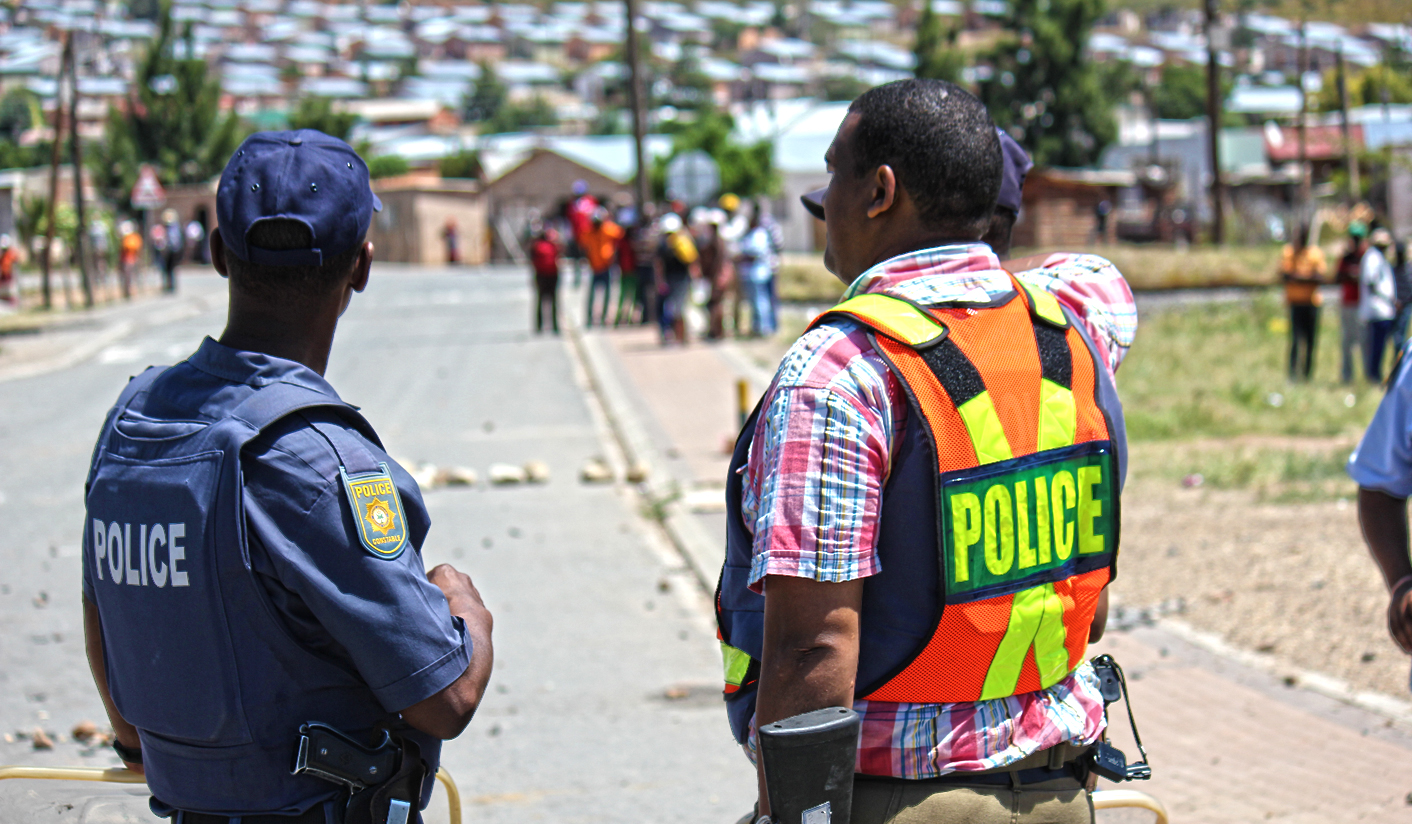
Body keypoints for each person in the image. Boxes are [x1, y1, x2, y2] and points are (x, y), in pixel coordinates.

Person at [716, 79, 1136, 824]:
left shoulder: (841, 371)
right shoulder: (1066, 337)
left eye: (834, 175)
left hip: (902, 801)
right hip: (1062, 794)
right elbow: (1104, 284)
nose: (824, 203)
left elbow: (814, 649)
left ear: (880, 191)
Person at [81, 130, 495, 821]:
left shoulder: (135, 420)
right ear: (361, 267)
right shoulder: (317, 461)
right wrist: (467, 610)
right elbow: (445, 699)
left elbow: (119, 680)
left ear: (219, 254)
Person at [1279, 223, 1327, 381]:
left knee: (1311, 340)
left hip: (1312, 303)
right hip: (1295, 302)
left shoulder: (1315, 253)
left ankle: (1307, 374)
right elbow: (1285, 275)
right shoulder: (1289, 252)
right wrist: (1307, 278)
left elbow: (1320, 277)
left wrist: (1298, 278)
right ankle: (1293, 373)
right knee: (1295, 339)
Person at [655, 212, 698, 344]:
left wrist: (660, 281)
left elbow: (659, 265)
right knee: (678, 309)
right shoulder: (683, 240)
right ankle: (680, 337)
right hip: (681, 279)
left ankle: (680, 337)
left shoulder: (667, 244)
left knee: (676, 309)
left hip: (677, 280)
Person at [1363, 228, 1398, 382]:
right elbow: (1371, 283)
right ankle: (1373, 375)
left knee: (1381, 344)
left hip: (1383, 308)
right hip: (1378, 308)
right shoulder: (1373, 257)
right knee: (1376, 345)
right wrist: (1389, 299)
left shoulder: (1378, 257)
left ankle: (1375, 373)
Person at [581, 208, 624, 327]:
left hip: (607, 266)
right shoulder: (589, 231)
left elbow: (620, 233)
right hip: (594, 267)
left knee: (607, 294)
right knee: (592, 294)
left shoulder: (608, 229)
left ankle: (604, 317)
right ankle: (589, 317)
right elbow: (583, 242)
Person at [1337, 223, 1368, 384]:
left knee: (1364, 341)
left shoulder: (1366, 257)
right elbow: (1338, 276)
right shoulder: (1346, 257)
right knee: (1347, 341)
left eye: (1358, 238)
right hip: (1348, 303)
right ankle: (1347, 376)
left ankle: (1367, 375)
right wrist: (1352, 276)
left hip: (1363, 304)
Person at [737, 209, 775, 336]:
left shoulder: (759, 234)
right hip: (750, 274)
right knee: (753, 302)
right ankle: (756, 326)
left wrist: (742, 256)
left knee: (761, 301)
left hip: (758, 273)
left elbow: (755, 253)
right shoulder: (749, 233)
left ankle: (764, 328)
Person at [699, 210, 734, 340]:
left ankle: (718, 331)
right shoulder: (715, 239)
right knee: (714, 304)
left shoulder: (718, 241)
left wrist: (717, 278)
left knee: (717, 304)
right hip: (717, 276)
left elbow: (719, 261)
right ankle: (715, 329)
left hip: (719, 277)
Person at [530, 226, 562, 333]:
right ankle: (555, 325)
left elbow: (532, 260)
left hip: (541, 276)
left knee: (540, 301)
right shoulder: (553, 245)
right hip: (552, 275)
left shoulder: (536, 246)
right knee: (554, 301)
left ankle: (539, 326)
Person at [158, 208, 185, 293]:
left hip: (172, 251)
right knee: (167, 269)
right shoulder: (166, 228)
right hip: (168, 251)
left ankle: (171, 285)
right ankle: (168, 285)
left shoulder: (174, 228)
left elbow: (177, 241)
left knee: (170, 268)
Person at [119, 221, 142, 299]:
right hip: (125, 260)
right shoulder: (124, 239)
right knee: (126, 276)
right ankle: (127, 291)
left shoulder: (133, 238)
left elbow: (135, 248)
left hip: (132, 259)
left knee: (132, 276)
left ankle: (133, 291)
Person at [0, 234, 17, 306]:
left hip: (9, 274)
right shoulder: (2, 254)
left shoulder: (11, 253)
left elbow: (15, 260)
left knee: (10, 289)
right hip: (3, 274)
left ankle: (12, 302)